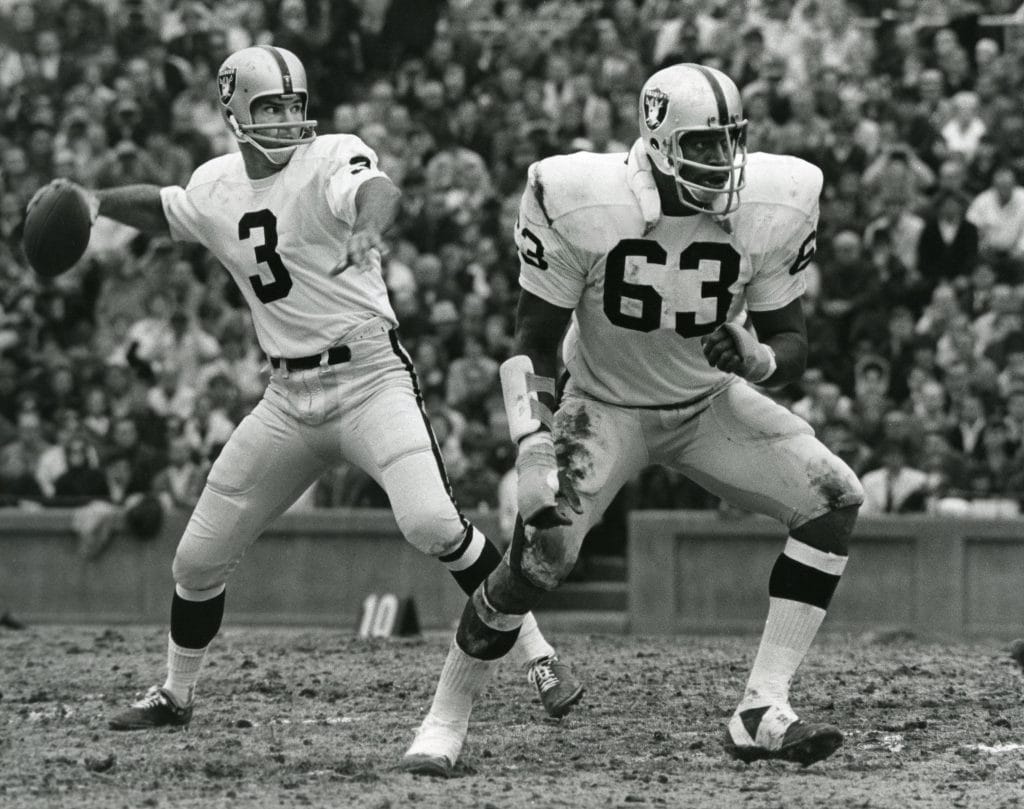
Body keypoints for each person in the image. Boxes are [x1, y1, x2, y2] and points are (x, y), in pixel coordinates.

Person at [28, 46, 580, 731]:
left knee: (433, 523)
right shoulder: (216, 185)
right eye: (270, 106)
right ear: (233, 112)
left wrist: (369, 230)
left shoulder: (330, 156)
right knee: (196, 559)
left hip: (370, 377)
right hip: (288, 397)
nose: (289, 118)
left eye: (294, 103)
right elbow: (168, 209)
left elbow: (377, 191)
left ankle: (539, 655)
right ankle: (176, 691)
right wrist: (96, 201)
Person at [401, 63, 865, 776]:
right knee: (538, 562)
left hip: (707, 403)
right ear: (656, 141)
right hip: (602, 406)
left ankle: (760, 707)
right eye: (703, 145)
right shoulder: (579, 199)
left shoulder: (776, 201)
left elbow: (794, 342)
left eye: (729, 142)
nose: (722, 161)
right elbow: (530, 343)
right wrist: (531, 440)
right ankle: (446, 715)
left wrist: (761, 357)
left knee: (833, 500)